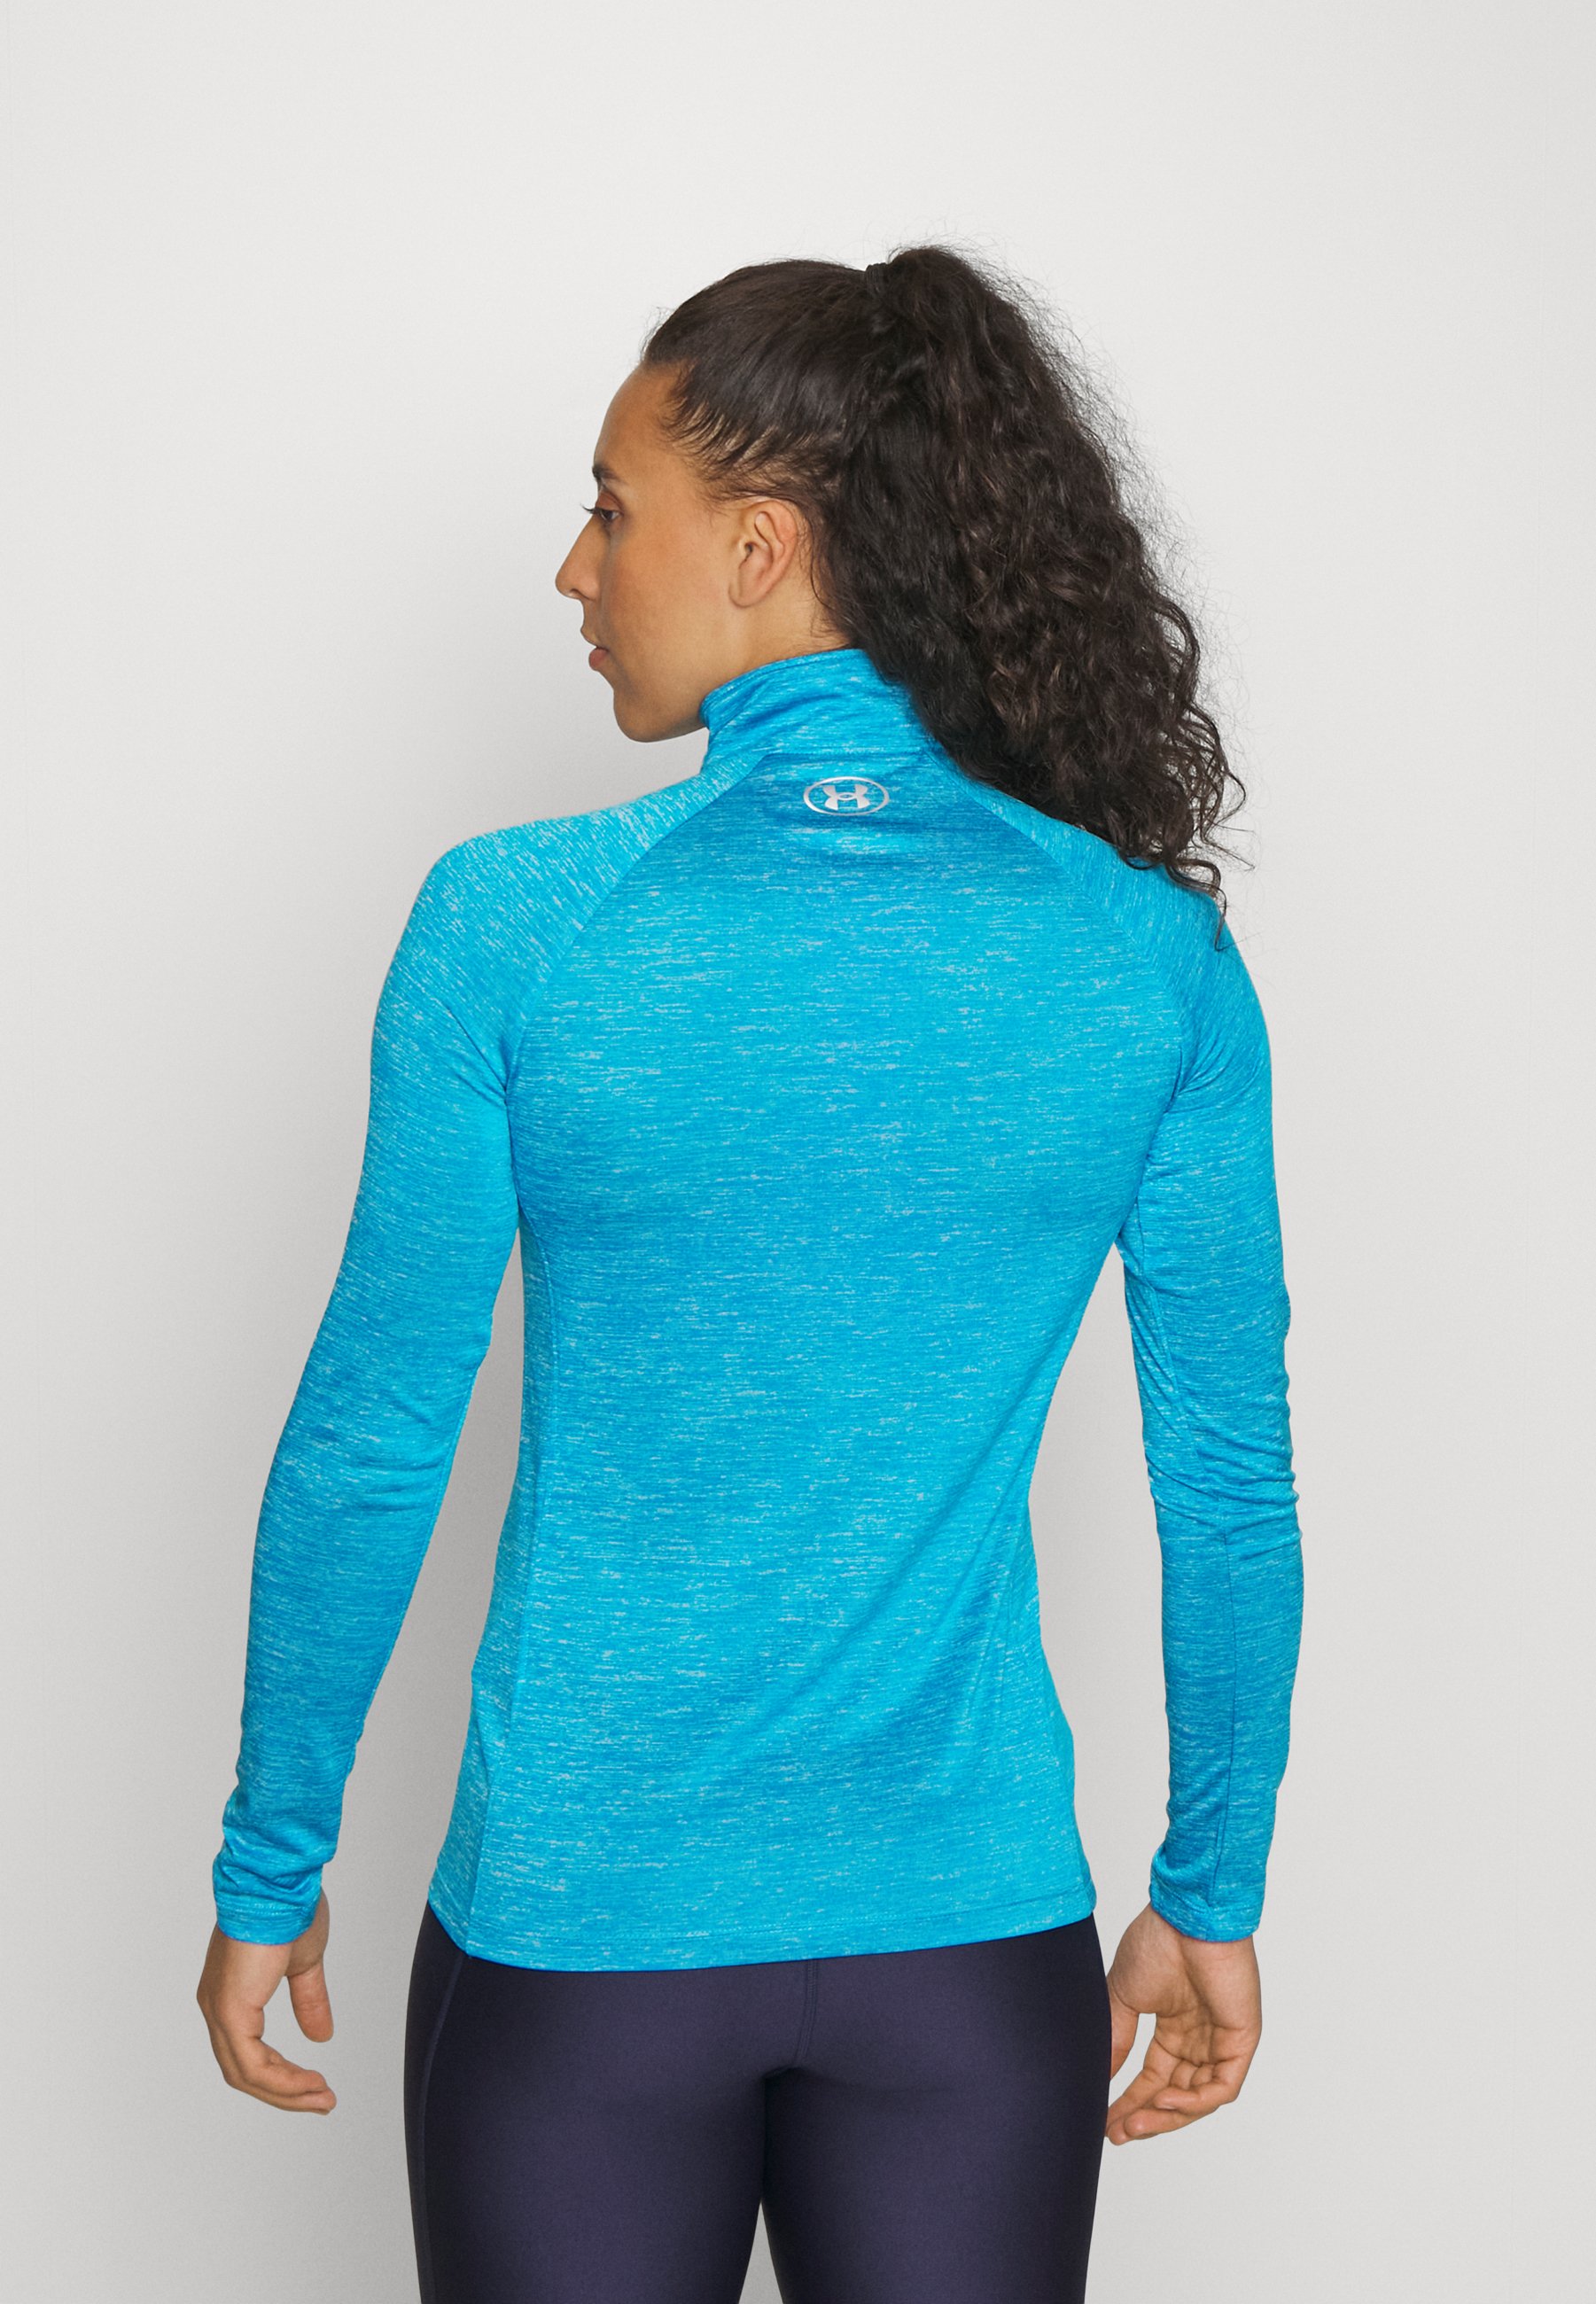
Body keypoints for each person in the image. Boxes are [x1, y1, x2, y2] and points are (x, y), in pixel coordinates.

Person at [196, 245, 1304, 2304]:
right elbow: (1224, 1480)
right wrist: (1208, 1885)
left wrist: (276, 1860)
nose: (574, 568)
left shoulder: (515, 924)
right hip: (968, 1958)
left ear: (763, 544)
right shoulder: (1150, 956)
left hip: (581, 1948)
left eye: (612, 509)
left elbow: (375, 1431)